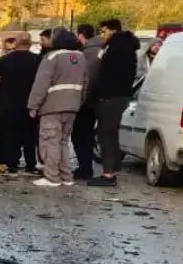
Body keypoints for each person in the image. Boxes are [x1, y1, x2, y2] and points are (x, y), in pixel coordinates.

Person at [28, 28, 88, 188]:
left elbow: (41, 83)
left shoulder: (52, 57)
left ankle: (52, 177)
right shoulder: (81, 57)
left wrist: (33, 105)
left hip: (52, 106)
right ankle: (66, 177)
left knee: (50, 142)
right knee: (63, 142)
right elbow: (85, 83)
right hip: (73, 106)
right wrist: (79, 102)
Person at [88, 18, 141, 187]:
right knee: (111, 134)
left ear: (112, 30)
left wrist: (100, 95)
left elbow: (106, 74)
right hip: (121, 96)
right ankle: (112, 169)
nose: (102, 36)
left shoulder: (115, 49)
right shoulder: (128, 48)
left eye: (104, 31)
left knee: (106, 135)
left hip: (110, 97)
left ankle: (108, 174)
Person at [0, 34, 41, 174]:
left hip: (7, 104)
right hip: (29, 104)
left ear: (17, 43)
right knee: (30, 135)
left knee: (9, 134)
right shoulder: (37, 60)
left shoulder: (4, 60)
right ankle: (30, 164)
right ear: (29, 44)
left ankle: (11, 164)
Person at [71, 24, 106, 180]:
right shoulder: (103, 49)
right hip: (100, 100)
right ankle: (86, 166)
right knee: (88, 134)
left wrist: (81, 101)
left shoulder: (87, 54)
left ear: (80, 35)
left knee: (80, 134)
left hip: (86, 102)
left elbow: (87, 79)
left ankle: (85, 168)